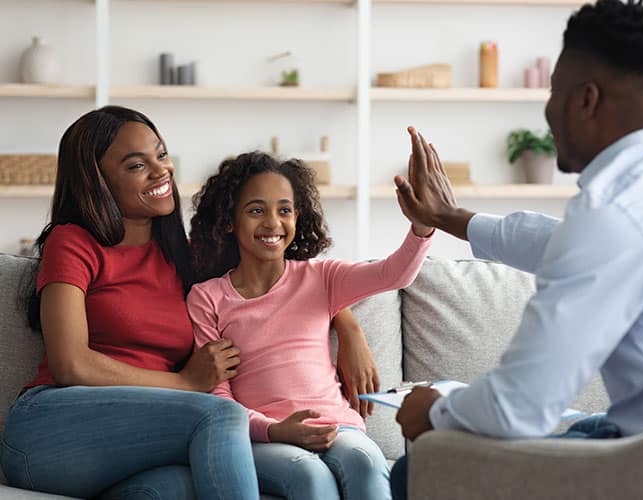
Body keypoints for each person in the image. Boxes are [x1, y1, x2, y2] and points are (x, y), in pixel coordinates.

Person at [388, 0, 643, 498]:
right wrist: (450, 218)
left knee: (420, 464)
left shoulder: (614, 213)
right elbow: (558, 243)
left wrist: (434, 409)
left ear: (586, 99)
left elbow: (518, 408)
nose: (548, 110)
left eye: (554, 91)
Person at [0, 105, 379, 499]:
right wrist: (184, 383)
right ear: (96, 179)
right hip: (52, 429)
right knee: (221, 416)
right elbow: (70, 363)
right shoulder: (73, 241)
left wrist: (347, 325)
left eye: (161, 155)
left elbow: (279, 277)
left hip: (140, 438)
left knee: (176, 489)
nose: (160, 170)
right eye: (136, 165)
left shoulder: (180, 254)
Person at [186, 151, 434, 500]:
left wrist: (421, 226)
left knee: (364, 460)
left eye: (284, 210)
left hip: (338, 426)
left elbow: (395, 274)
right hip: (264, 436)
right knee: (309, 475)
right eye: (257, 210)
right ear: (229, 221)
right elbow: (218, 396)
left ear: (297, 217)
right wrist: (273, 430)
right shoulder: (207, 298)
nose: (273, 222)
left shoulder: (322, 277)